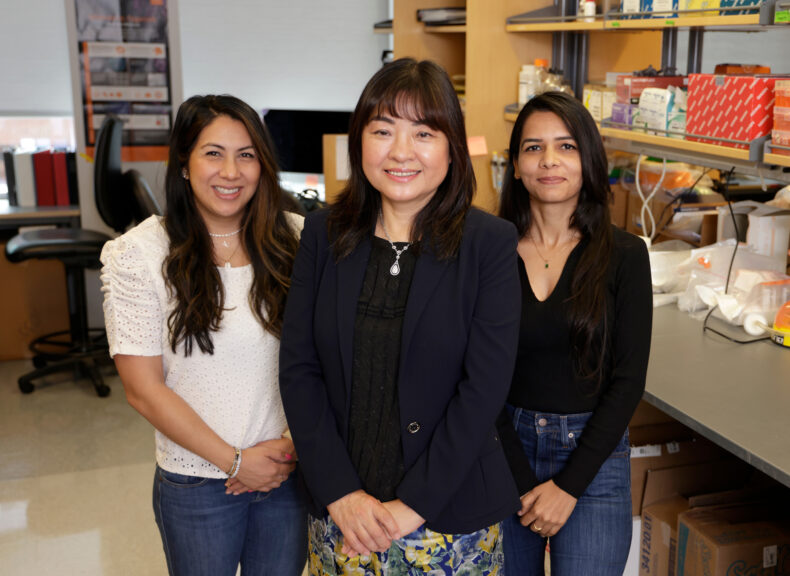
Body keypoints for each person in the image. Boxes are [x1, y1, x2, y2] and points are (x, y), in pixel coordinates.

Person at [279, 58, 522, 575]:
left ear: (452, 148)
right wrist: (341, 493)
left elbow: (484, 389)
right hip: (343, 520)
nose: (401, 152)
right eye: (383, 130)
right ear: (359, 141)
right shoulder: (323, 235)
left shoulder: (489, 245)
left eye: (424, 133)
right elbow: (299, 370)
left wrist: (411, 506)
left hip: (451, 522)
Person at [100, 94, 307, 576]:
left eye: (247, 154)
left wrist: (292, 445)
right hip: (197, 481)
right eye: (213, 153)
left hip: (286, 471)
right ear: (185, 165)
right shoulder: (138, 254)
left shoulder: (296, 239)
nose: (231, 172)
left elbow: (328, 356)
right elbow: (142, 389)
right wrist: (235, 462)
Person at [497, 90, 652, 575]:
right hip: (503, 449)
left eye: (566, 146)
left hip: (594, 456)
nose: (549, 161)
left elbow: (628, 381)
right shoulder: (488, 251)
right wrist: (523, 483)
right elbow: (476, 373)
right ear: (516, 165)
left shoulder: (625, 254)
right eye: (533, 147)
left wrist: (567, 487)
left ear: (589, 159)